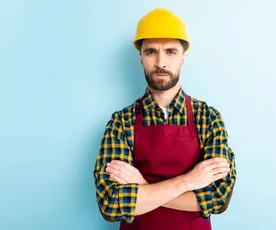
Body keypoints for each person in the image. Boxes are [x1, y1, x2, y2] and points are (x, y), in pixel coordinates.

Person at [93, 8, 237, 230]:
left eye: (170, 52)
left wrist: (142, 186)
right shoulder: (121, 122)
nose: (161, 62)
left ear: (182, 59)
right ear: (141, 58)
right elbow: (111, 203)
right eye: (151, 52)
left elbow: (218, 198)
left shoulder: (208, 118)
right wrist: (189, 182)